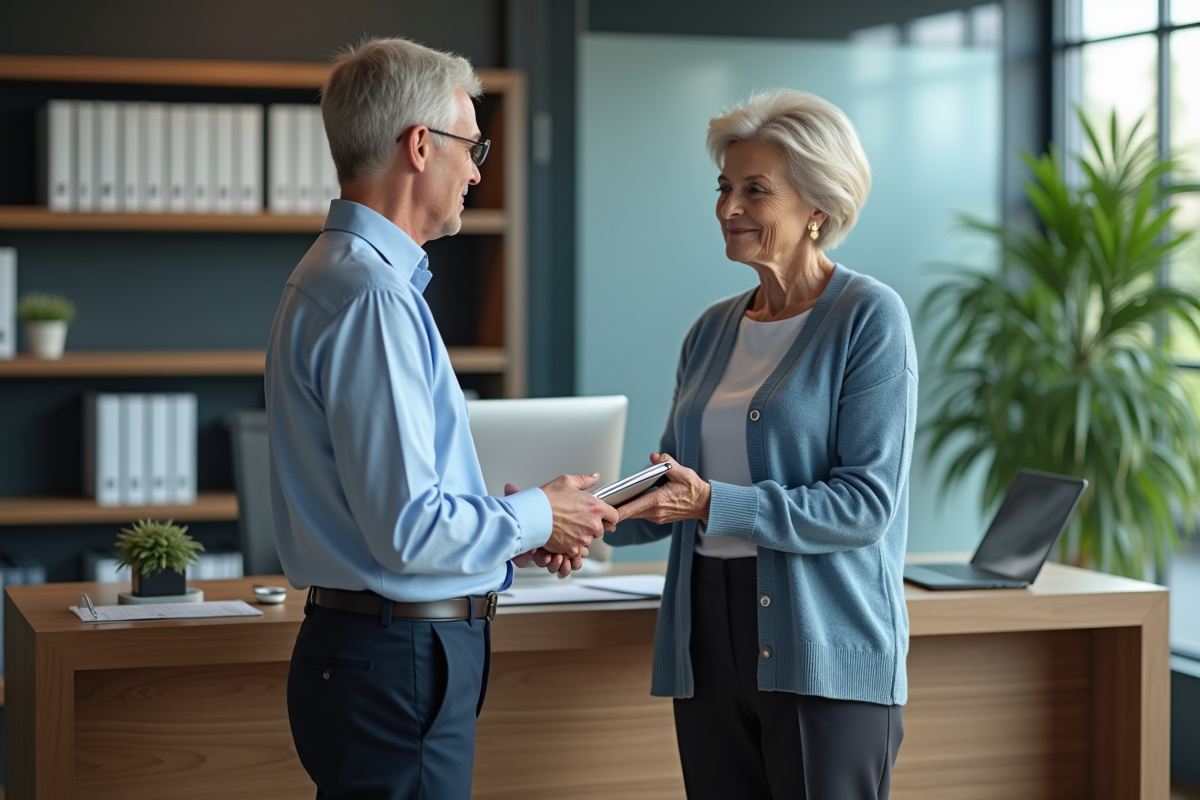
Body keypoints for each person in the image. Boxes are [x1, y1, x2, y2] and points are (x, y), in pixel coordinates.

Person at [264, 37, 617, 800]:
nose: (479, 171)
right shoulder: (374, 298)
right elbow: (408, 528)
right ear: (420, 146)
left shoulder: (336, 278)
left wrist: (523, 525)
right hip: (398, 656)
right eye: (472, 146)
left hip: (376, 650)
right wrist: (533, 516)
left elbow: (391, 518)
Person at [606, 89, 915, 799]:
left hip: (824, 644)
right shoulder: (711, 329)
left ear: (818, 208)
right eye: (724, 186)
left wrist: (715, 503)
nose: (727, 207)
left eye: (754, 190)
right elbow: (672, 486)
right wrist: (586, 515)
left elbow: (864, 505)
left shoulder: (869, 318)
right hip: (706, 637)